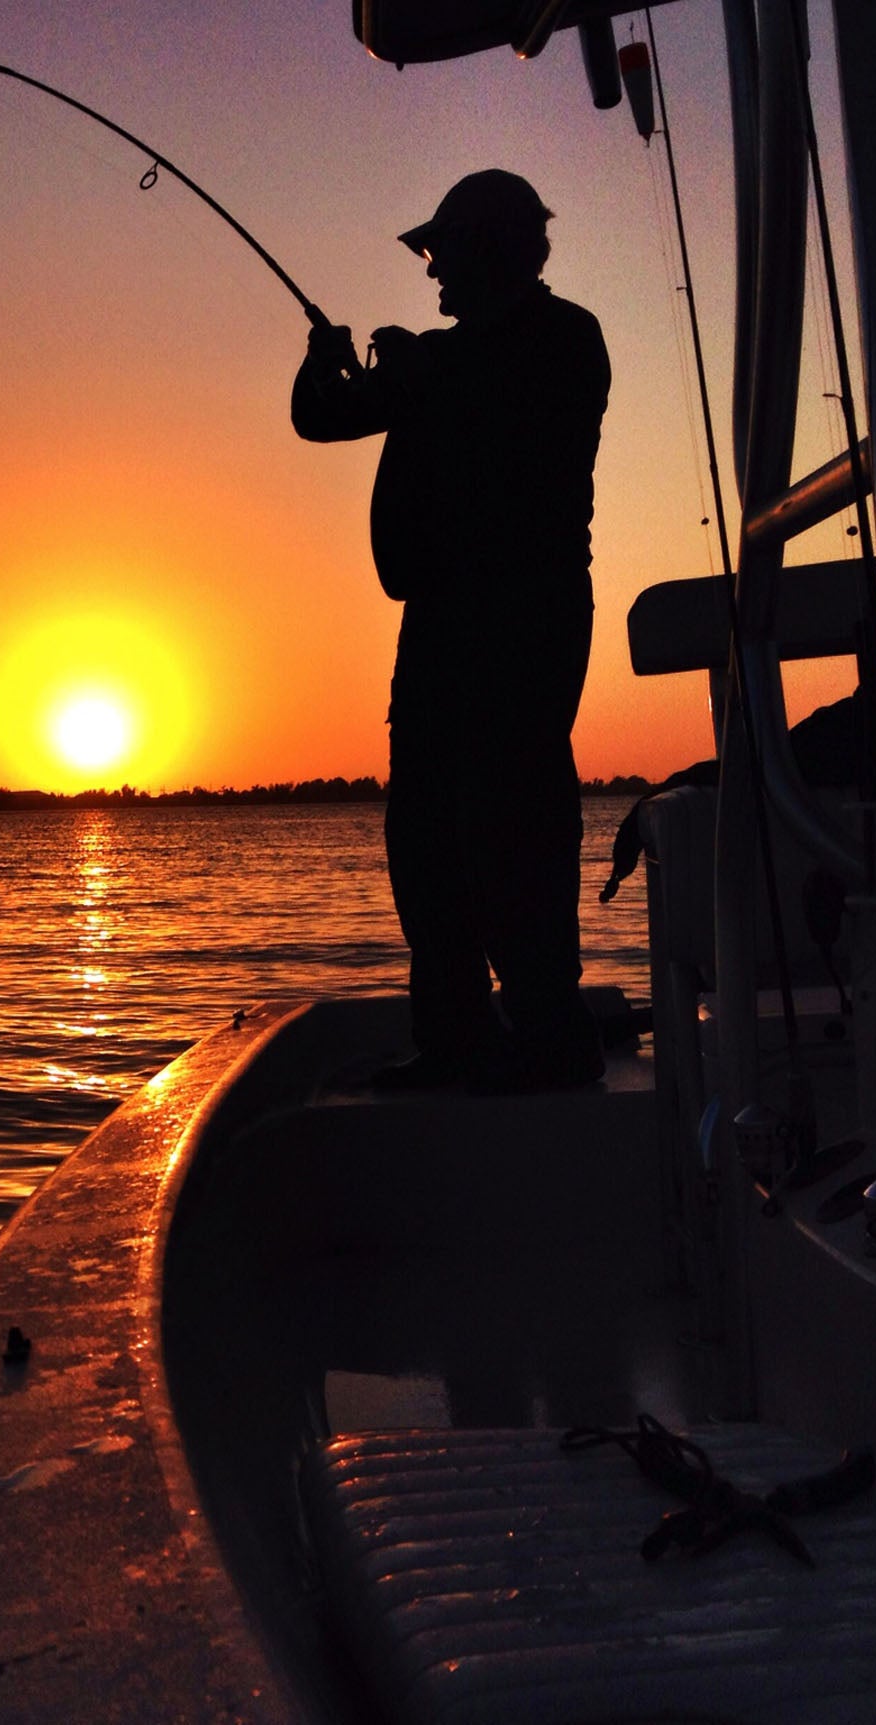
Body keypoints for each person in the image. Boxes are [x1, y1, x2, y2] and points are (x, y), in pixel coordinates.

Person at [292, 169, 611, 1093]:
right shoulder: (440, 359)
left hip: (525, 619)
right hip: (437, 624)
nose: (431, 273)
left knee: (517, 821)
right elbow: (322, 417)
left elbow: (514, 429)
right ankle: (456, 1038)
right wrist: (328, 358)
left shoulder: (564, 340)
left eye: (442, 252)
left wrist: (427, 378)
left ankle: (551, 1033)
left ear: (493, 251)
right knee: (425, 834)